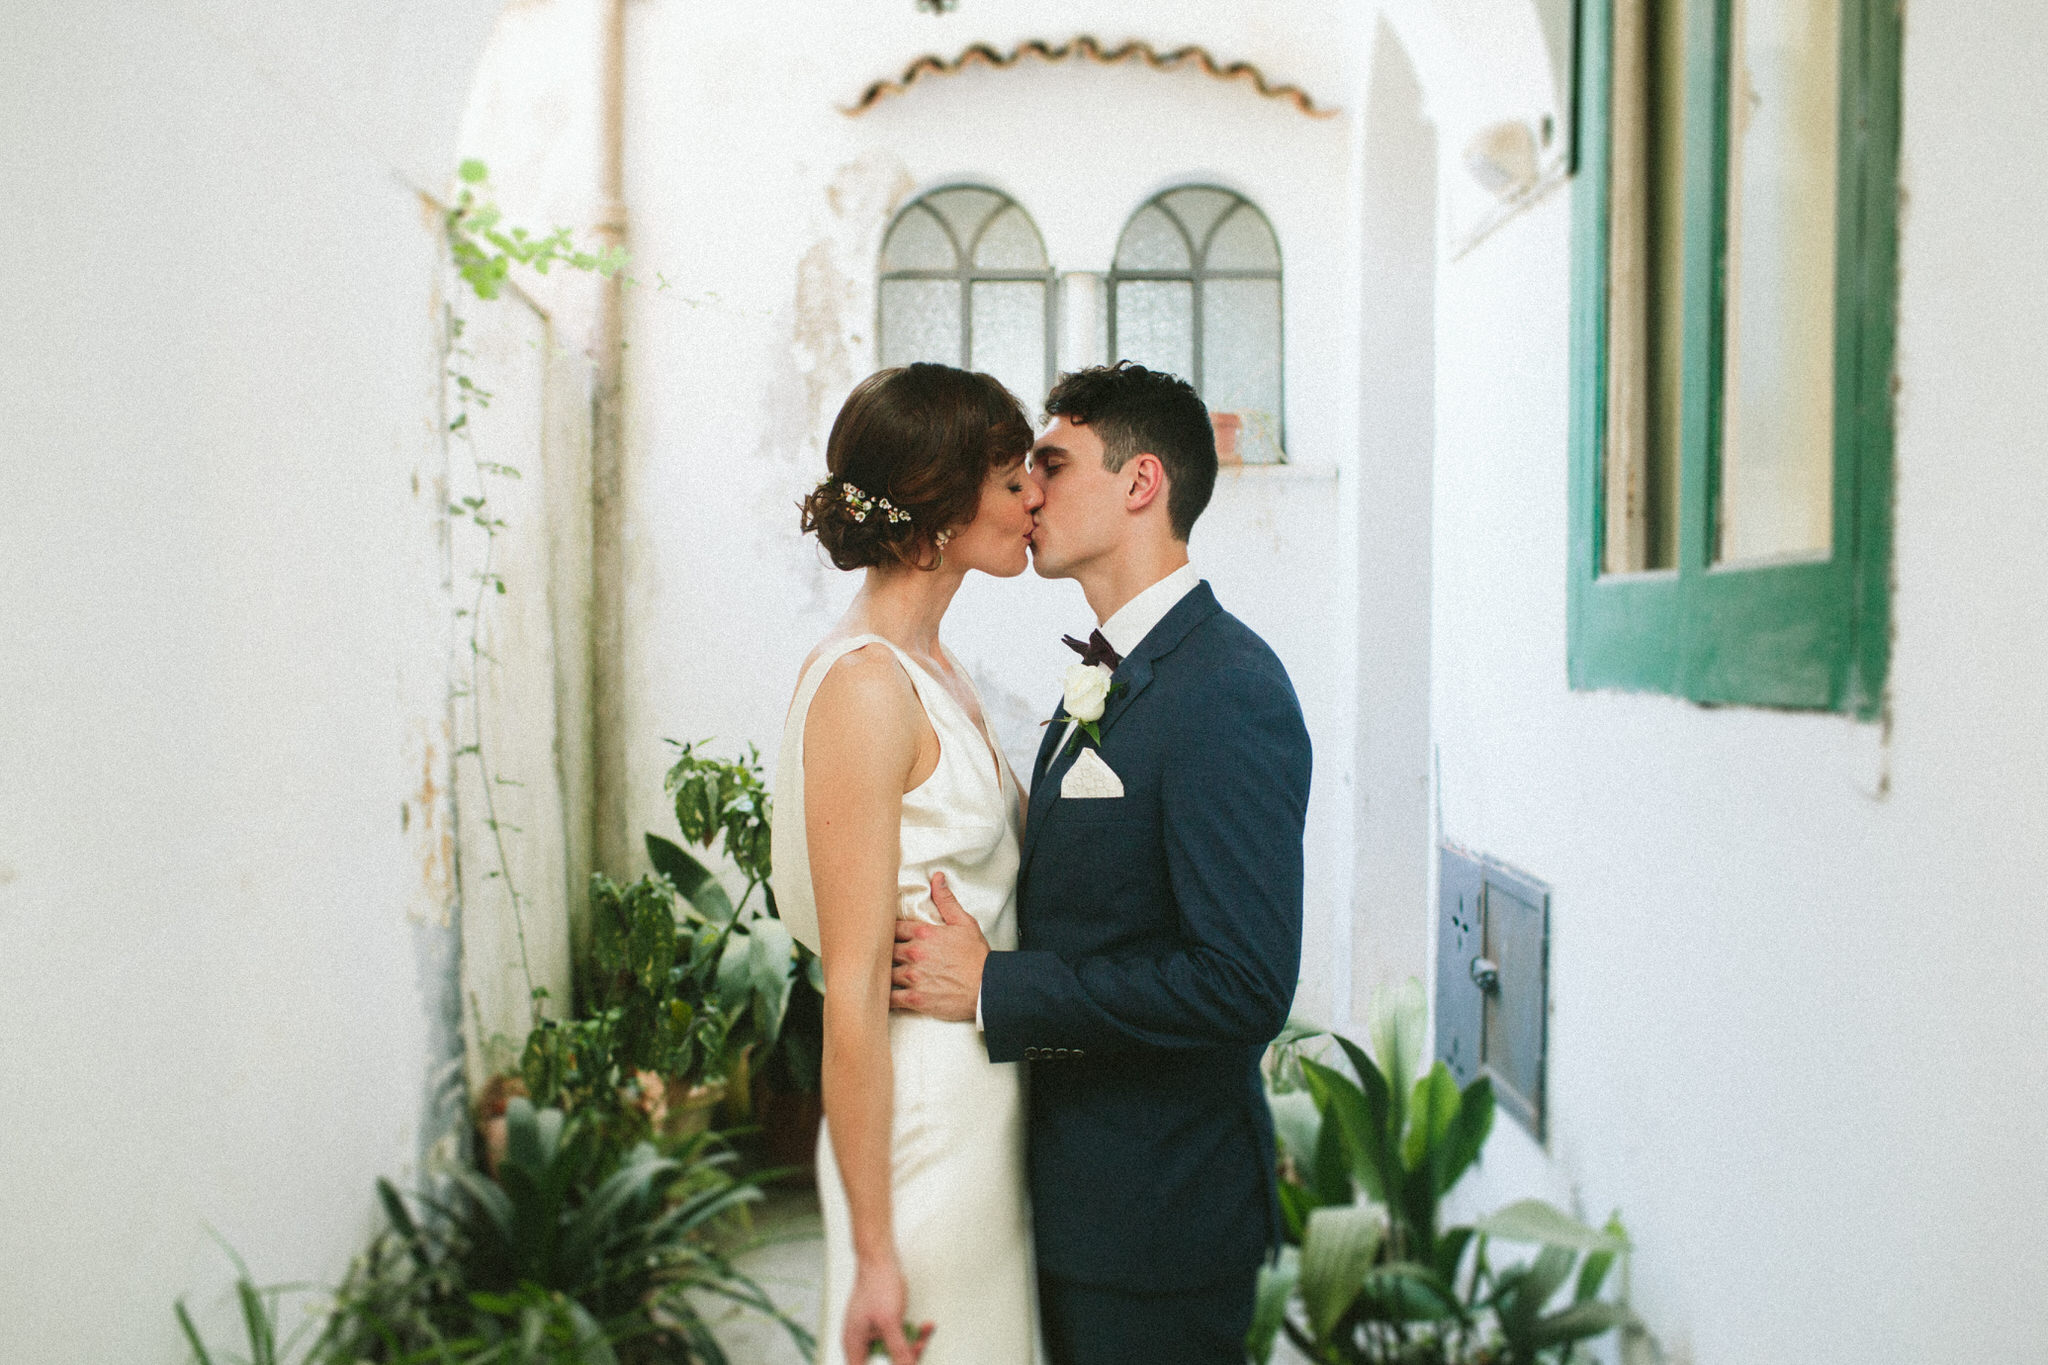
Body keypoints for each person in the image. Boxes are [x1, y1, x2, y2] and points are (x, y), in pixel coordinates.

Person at [891, 361, 1312, 1365]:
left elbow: (1240, 983)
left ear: (1140, 484)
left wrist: (999, 989)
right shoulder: (1107, 663)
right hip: (1075, 1195)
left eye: (1052, 463)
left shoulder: (1226, 689)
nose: (1026, 491)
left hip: (1158, 1222)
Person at [769, 362, 1044, 1365]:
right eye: (1011, 478)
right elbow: (849, 989)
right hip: (918, 1127)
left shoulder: (932, 665)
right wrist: (875, 1249)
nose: (1032, 499)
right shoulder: (864, 688)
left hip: (980, 1107)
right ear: (937, 503)